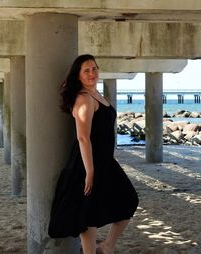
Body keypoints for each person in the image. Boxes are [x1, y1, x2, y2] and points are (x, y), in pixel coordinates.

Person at [48, 54, 139, 254]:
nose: (92, 73)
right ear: (78, 76)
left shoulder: (97, 95)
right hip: (87, 164)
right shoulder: (84, 98)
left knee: (129, 200)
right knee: (88, 214)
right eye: (86, 70)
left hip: (106, 162)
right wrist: (90, 171)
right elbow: (83, 138)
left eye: (94, 69)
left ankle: (106, 246)